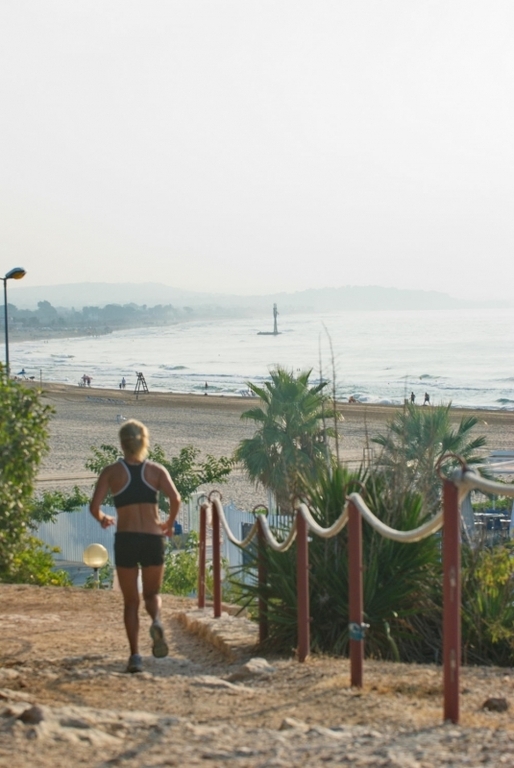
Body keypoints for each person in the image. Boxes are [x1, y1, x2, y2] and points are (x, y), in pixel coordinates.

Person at [89, 419, 181, 673]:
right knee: (152, 594)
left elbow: (93, 507)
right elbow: (175, 498)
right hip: (152, 538)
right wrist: (168, 523)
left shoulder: (112, 472)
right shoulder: (156, 471)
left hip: (127, 539)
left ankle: (135, 657)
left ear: (122, 443)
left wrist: (103, 518)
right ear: (144, 441)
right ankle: (157, 620)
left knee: (131, 602)